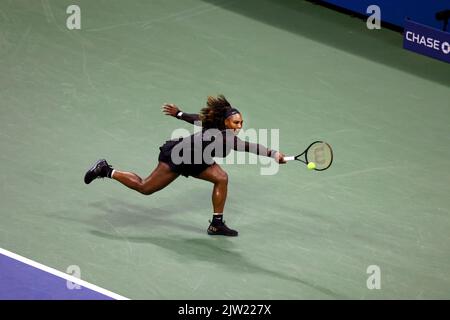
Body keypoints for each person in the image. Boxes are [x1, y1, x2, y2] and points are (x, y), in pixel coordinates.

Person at [84, 95, 285, 236]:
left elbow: (197, 119)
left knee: (221, 178)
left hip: (199, 159)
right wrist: (273, 154)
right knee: (145, 188)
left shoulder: (213, 123)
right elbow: (248, 146)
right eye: (235, 123)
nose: (239, 127)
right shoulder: (225, 137)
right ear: (225, 123)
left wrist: (179, 114)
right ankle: (105, 169)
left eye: (241, 122)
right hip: (179, 157)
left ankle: (216, 225)